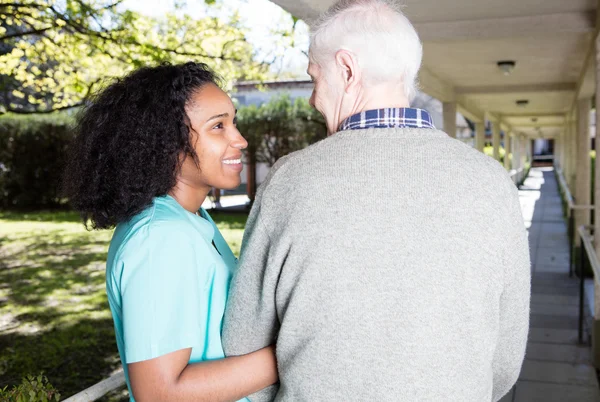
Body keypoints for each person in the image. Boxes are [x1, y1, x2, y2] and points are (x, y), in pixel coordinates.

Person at [222, 1, 530, 401]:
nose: (315, 99)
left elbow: (242, 341)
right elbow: (505, 360)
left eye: (316, 78)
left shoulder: (289, 181)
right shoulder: (493, 182)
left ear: (347, 70)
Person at [63, 62, 277, 401]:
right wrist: (289, 350)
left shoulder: (188, 220)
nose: (240, 140)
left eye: (233, 122)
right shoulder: (159, 238)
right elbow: (159, 392)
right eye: (218, 126)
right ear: (166, 142)